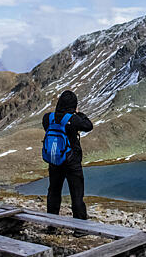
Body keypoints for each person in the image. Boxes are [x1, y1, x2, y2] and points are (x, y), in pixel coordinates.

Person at [42, 90, 93, 223]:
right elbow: (88, 125)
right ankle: (80, 228)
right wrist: (78, 113)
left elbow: (46, 127)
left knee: (54, 192)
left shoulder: (48, 118)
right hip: (72, 161)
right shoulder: (73, 119)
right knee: (76, 194)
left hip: (55, 161)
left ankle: (52, 225)